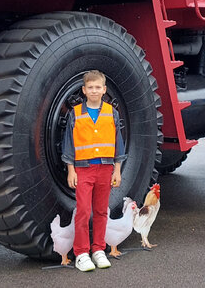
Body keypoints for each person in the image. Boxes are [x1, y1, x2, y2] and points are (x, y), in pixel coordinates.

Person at [61, 70, 125, 272]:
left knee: (100, 211)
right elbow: (69, 145)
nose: (94, 91)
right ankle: (81, 253)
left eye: (98, 87)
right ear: (84, 90)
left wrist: (117, 170)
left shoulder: (111, 113)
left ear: (104, 90)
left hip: (106, 168)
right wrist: (71, 171)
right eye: (90, 87)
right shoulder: (75, 113)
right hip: (83, 169)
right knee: (83, 211)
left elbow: (118, 144)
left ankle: (98, 249)